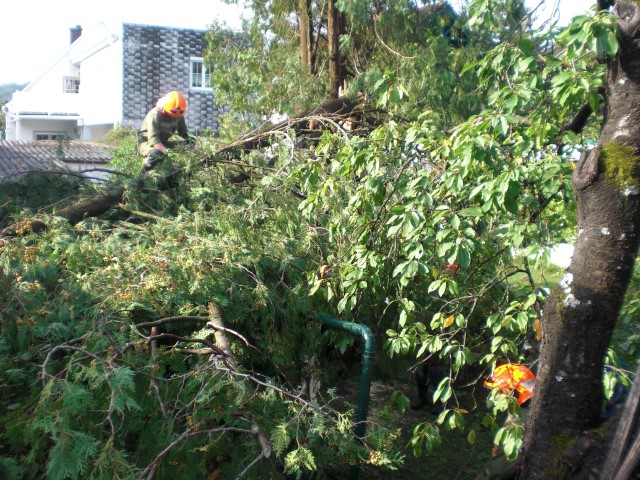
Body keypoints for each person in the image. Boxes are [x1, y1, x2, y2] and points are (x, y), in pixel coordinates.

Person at [477, 363, 536, 480]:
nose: (493, 398)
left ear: (510, 393)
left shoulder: (517, 422)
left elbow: (499, 470)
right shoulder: (534, 410)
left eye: (497, 392)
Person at [136, 91, 192, 173]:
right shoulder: (155, 115)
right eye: (173, 113)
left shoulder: (178, 114)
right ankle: (143, 175)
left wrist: (193, 139)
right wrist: (169, 153)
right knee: (156, 153)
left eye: (178, 113)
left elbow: (184, 132)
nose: (175, 116)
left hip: (162, 143)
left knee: (187, 145)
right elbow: (154, 141)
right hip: (145, 143)